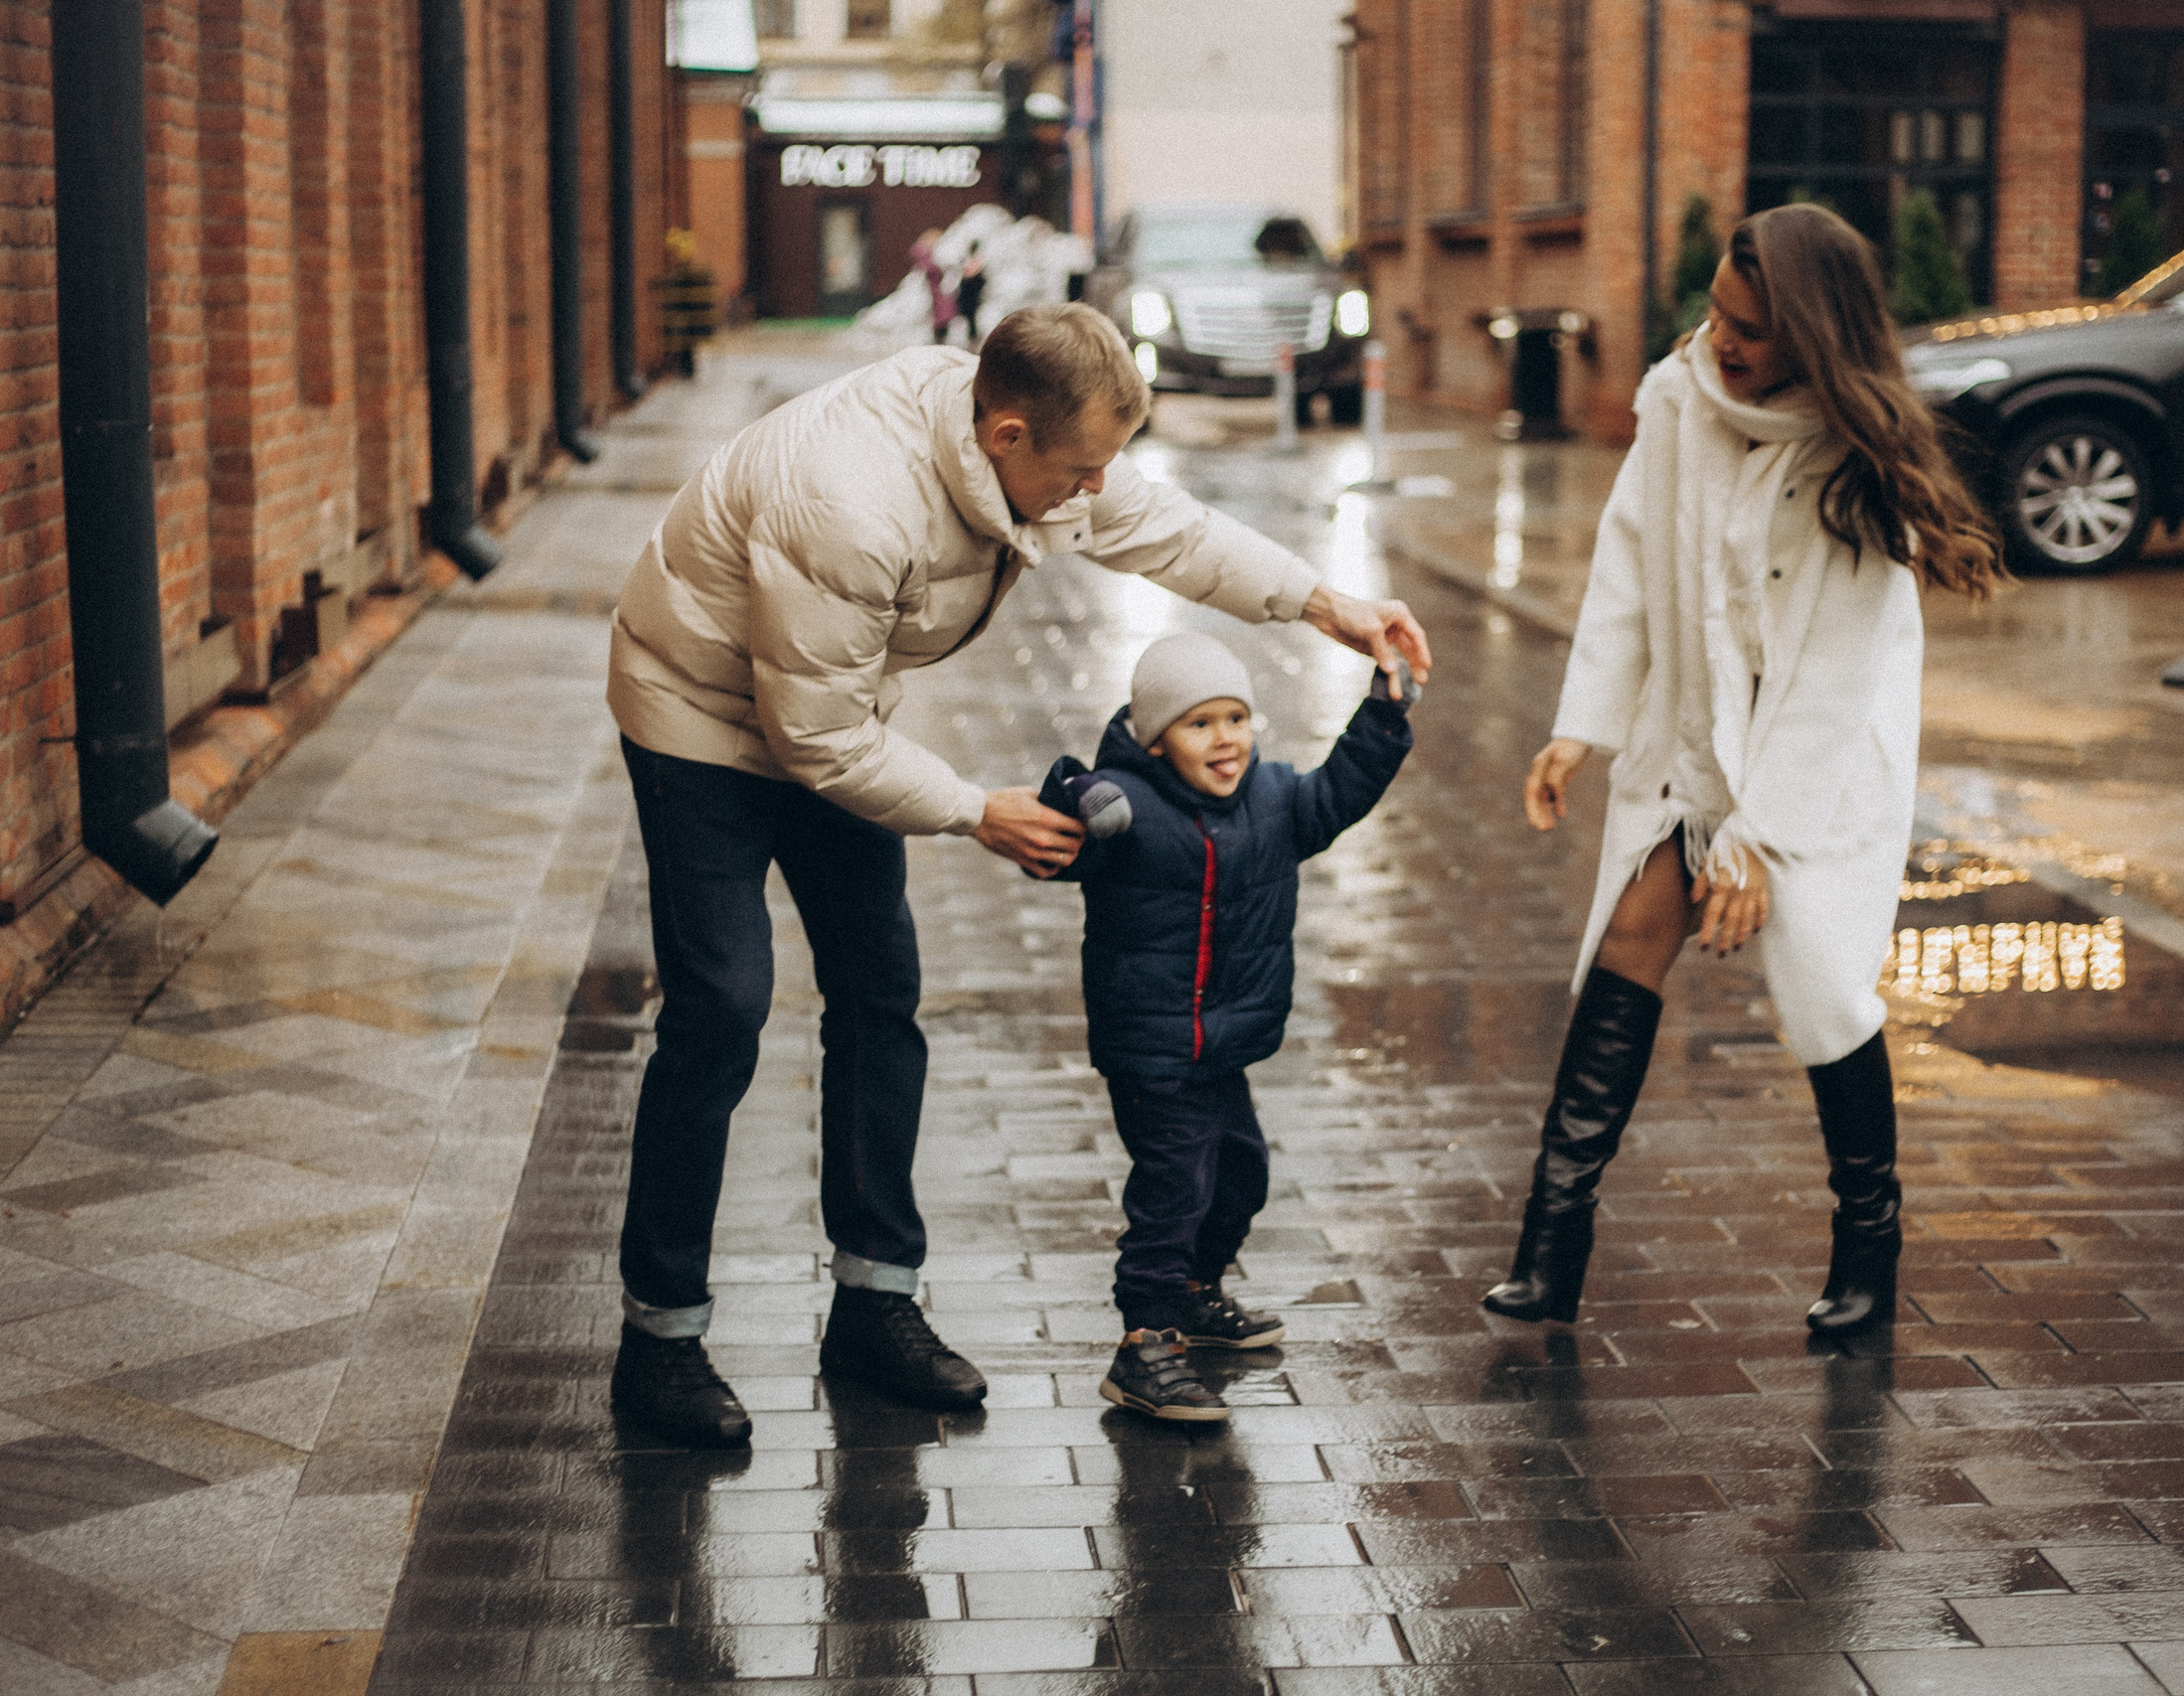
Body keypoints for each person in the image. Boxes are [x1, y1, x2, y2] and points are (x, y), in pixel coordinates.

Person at [604, 303, 1431, 1448]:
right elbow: (818, 746)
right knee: (723, 1006)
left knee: (880, 992)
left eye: (1105, 462)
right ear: (1003, 436)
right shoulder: (851, 502)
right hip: (698, 712)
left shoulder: (1037, 432)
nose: (1095, 488)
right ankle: (661, 1335)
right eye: (1079, 468)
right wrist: (970, 810)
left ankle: (874, 1301)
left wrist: (1323, 601)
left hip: (823, 699)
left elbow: (1169, 529)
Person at [1482, 204, 2006, 1338]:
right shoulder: (1677, 402)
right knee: (1628, 938)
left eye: (1751, 330)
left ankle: (1868, 1242)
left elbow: (1833, 681)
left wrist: (1758, 842)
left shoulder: (1857, 467)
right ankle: (1549, 1244)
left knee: (1823, 993)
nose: (1722, 341)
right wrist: (1580, 726)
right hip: (1686, 736)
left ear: (1812, 338)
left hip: (1809, 765)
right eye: (1717, 314)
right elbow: (1628, 564)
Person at [1033, 635, 1414, 1422]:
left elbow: (1340, 790)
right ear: (1153, 739)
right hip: (1152, 1044)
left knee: (1241, 1176)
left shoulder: (1275, 801)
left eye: (1235, 716)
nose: (1226, 737)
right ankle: (1145, 1342)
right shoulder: (1125, 805)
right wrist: (1074, 796)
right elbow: (1058, 840)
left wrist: (1383, 714)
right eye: (1199, 723)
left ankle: (1198, 1296)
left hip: (1224, 1043)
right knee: (1174, 1188)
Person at [911, 228, 955, 345]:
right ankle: (938, 343)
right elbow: (931, 268)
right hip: (933, 295)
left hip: (940, 294)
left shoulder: (937, 254)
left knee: (943, 319)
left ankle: (941, 342)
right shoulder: (926, 256)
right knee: (939, 319)